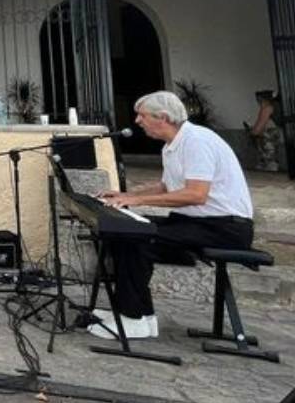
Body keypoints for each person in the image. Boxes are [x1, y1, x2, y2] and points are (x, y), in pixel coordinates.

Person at [97, 90, 255, 340]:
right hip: (195, 221)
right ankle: (139, 316)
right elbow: (167, 187)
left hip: (224, 227)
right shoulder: (173, 145)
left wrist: (137, 200)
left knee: (139, 240)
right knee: (124, 233)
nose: (137, 121)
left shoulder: (197, 142)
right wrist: (124, 195)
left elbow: (195, 194)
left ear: (163, 117)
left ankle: (132, 318)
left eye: (142, 116)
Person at [246, 89, 283, 173]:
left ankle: (269, 162)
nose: (258, 103)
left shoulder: (268, 108)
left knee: (264, 135)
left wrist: (250, 132)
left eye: (259, 100)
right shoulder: (276, 106)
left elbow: (257, 130)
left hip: (292, 131)